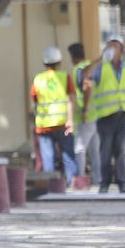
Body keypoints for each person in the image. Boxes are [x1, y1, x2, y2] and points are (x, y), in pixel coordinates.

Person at [85, 35, 125, 194]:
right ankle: (104, 183)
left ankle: (122, 182)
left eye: (115, 46)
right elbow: (86, 74)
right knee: (105, 150)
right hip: (105, 116)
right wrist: (100, 58)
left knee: (120, 150)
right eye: (109, 46)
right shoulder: (101, 67)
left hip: (123, 114)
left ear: (121, 49)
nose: (112, 49)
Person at [30, 46, 78, 182]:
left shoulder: (38, 79)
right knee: (68, 156)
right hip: (62, 124)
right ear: (59, 62)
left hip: (44, 126)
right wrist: (70, 120)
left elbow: (34, 101)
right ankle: (72, 184)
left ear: (45, 63)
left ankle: (51, 187)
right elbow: (71, 99)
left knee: (48, 159)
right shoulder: (65, 77)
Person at [68, 42, 95, 180]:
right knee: (95, 151)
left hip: (87, 115)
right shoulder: (91, 65)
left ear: (73, 57)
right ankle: (98, 179)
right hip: (98, 113)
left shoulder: (79, 69)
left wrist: (84, 109)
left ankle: (80, 178)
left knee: (79, 148)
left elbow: (87, 87)